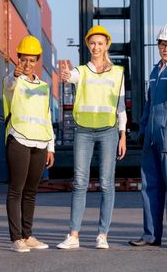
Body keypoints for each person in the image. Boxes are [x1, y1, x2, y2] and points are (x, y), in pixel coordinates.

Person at [57, 25, 127, 250]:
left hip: (108, 131)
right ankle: (73, 235)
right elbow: (71, 77)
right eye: (92, 43)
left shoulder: (117, 73)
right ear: (88, 45)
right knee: (80, 182)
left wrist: (123, 135)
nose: (96, 47)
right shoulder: (81, 71)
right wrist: (67, 76)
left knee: (107, 184)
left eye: (100, 43)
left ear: (107, 45)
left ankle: (102, 235)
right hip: (84, 131)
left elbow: (121, 107)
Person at [129, 22, 167, 249]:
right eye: (163, 44)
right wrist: (143, 130)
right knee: (150, 186)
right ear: (158, 46)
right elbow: (149, 104)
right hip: (153, 136)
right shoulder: (155, 71)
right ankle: (151, 235)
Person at [2, 35, 55, 253]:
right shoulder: (12, 81)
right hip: (19, 139)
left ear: (37, 61)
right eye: (24, 60)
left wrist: (51, 146)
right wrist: (14, 75)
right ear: (18, 59)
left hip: (40, 143)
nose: (28, 64)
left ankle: (28, 235)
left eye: (32, 60)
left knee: (31, 191)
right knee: (16, 189)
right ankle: (16, 238)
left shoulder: (44, 86)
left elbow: (47, 115)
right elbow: (9, 85)